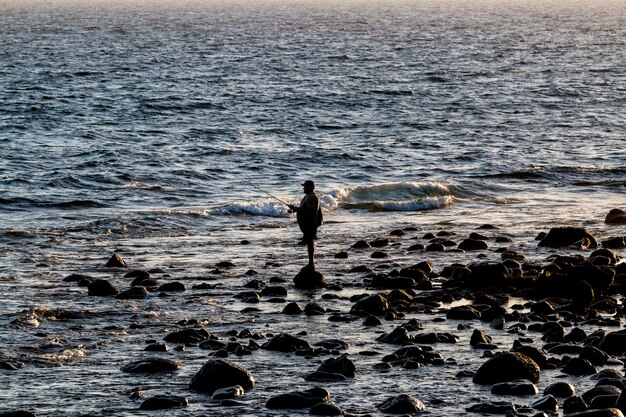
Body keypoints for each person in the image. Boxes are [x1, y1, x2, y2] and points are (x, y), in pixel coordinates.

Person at [289, 180, 321, 270]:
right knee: (309, 243)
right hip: (308, 224)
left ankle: (311, 264)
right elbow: (304, 209)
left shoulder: (311, 197)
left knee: (310, 243)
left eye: (305, 186)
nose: (303, 188)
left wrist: (297, 209)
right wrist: (294, 209)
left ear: (310, 187)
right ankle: (311, 263)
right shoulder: (308, 197)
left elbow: (310, 211)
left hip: (310, 224)